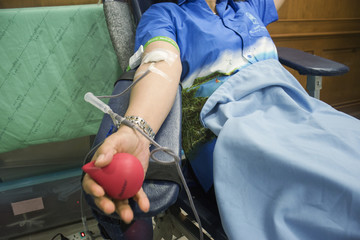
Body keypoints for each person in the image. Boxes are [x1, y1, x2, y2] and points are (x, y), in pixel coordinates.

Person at [82, 0, 360, 239]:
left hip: (303, 111)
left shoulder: (248, 7)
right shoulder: (166, 15)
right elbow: (161, 63)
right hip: (239, 122)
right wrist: (137, 129)